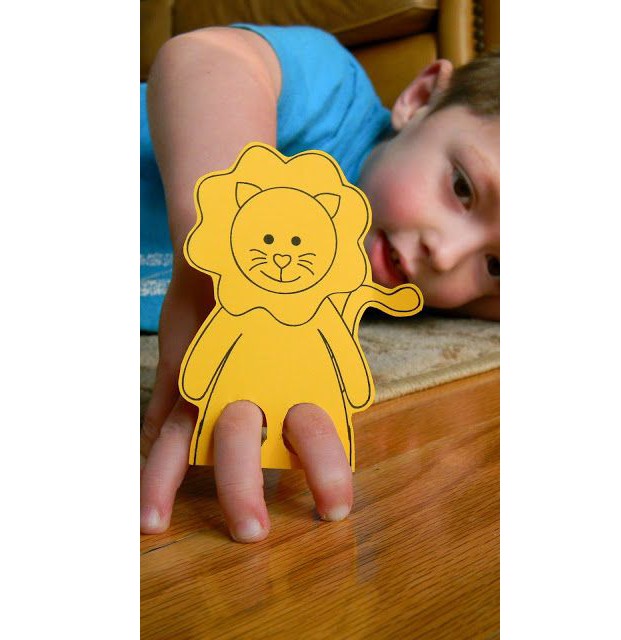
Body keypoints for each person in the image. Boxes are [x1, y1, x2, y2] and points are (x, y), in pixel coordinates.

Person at [140, 24, 499, 542]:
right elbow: (205, 57)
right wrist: (216, 249)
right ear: (421, 99)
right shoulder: (336, 101)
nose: (445, 254)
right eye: (462, 188)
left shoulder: (396, 290)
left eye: (495, 265)